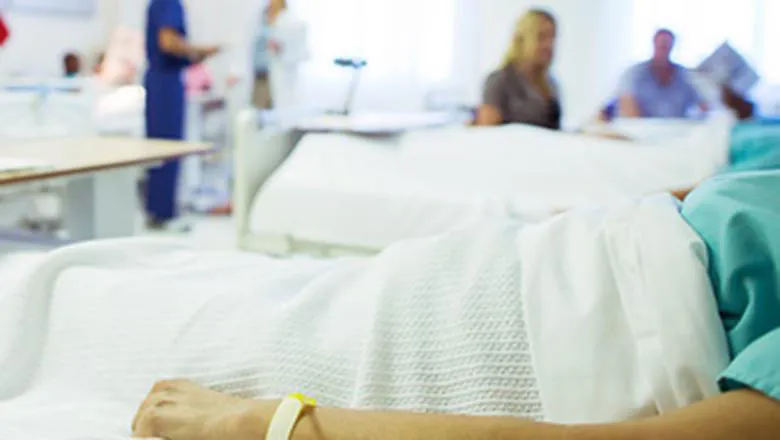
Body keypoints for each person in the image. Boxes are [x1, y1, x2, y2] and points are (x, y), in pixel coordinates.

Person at [128, 170, 780, 438]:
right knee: (172, 286)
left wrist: (273, 424)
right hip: (535, 261)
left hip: (548, 335)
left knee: (129, 321)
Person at [144, 0, 219, 229]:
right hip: (165, 82)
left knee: (160, 149)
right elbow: (167, 42)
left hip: (161, 80)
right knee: (167, 149)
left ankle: (159, 210)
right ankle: (163, 214)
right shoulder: (169, 2)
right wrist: (198, 50)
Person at [476, 9, 561, 129]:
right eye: (541, 37)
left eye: (552, 37)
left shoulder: (551, 84)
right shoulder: (500, 81)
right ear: (522, 40)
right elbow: (486, 134)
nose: (549, 45)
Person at [618, 29, 707, 119]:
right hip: (642, 129)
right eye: (660, 46)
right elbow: (626, 104)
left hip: (679, 129)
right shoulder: (634, 74)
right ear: (654, 45)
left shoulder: (686, 76)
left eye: (666, 46)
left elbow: (703, 104)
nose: (663, 50)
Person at [266, 0, 309, 112]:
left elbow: (277, 45)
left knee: (287, 101)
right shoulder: (286, 19)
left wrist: (277, 47)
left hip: (286, 66)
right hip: (285, 66)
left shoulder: (285, 21)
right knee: (286, 101)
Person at [252, 3, 273, 109]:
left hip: (268, 73)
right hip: (261, 73)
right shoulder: (262, 32)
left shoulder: (271, 30)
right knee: (261, 105)